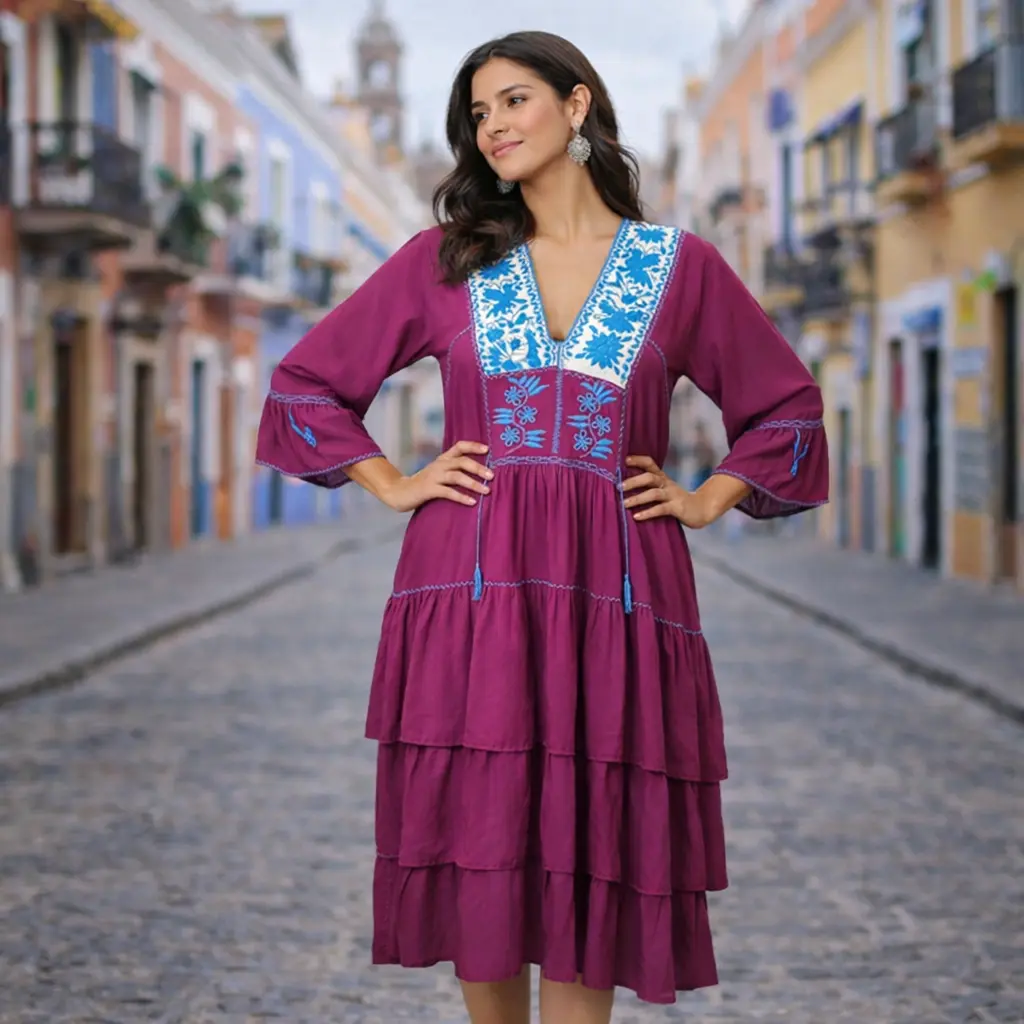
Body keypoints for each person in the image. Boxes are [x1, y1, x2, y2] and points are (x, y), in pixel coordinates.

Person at [255, 30, 828, 1024]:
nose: (494, 127)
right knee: (483, 829)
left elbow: (785, 408)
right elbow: (308, 383)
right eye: (477, 114)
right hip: (470, 589)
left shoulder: (677, 267)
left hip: (621, 591)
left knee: (594, 838)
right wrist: (391, 481)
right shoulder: (444, 262)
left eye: (513, 101)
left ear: (577, 108)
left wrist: (705, 497)